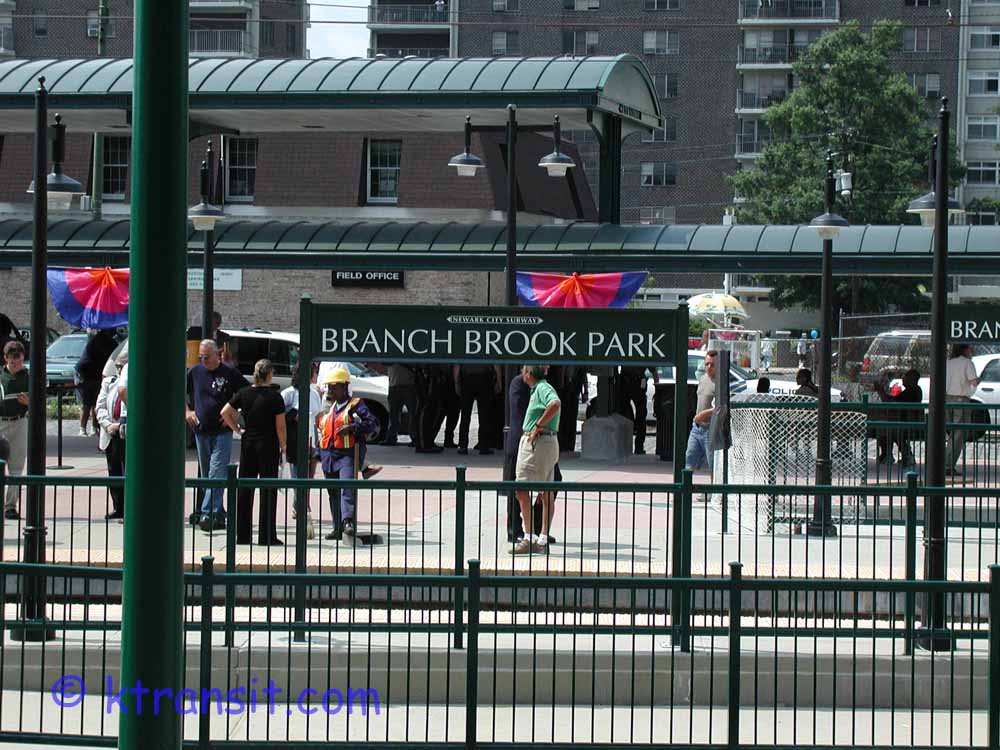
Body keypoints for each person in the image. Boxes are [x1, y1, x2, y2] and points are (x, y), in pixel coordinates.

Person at [186, 340, 249, 532]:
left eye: (206, 357)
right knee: (208, 475)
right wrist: (187, 411)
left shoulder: (229, 372)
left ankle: (208, 514)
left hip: (222, 431)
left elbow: (246, 392)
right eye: (200, 357)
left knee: (217, 471)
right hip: (201, 430)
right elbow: (181, 392)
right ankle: (219, 513)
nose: (203, 360)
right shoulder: (194, 372)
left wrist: (235, 413)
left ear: (216, 355)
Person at [221, 359, 286, 546]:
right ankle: (267, 536)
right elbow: (280, 426)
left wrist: (237, 429)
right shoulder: (275, 397)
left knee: (245, 489)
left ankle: (243, 535)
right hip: (268, 445)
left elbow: (225, 412)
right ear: (270, 374)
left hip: (248, 443)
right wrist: (284, 446)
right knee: (268, 489)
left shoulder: (244, 393)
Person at [318, 367, 379, 539]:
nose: (330, 390)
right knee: (333, 492)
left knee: (347, 487)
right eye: (329, 387)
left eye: (334, 387)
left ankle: (347, 522)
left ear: (344, 387)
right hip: (329, 456)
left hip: (347, 455)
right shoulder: (331, 408)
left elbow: (371, 423)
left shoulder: (356, 405)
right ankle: (337, 528)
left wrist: (352, 427)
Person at [512, 365, 561, 555]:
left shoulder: (542, 388)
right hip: (544, 442)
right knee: (545, 489)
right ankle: (540, 538)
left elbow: (555, 404)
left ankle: (530, 537)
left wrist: (538, 426)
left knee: (522, 488)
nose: (522, 374)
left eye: (524, 371)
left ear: (529, 374)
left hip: (537, 444)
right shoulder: (540, 388)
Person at [281, 363, 322, 540]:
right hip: (295, 441)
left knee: (309, 477)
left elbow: (318, 416)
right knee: (298, 475)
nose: (316, 375)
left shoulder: (314, 393)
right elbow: (280, 416)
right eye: (314, 372)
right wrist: (292, 416)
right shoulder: (288, 394)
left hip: (312, 438)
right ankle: (303, 508)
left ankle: (299, 504)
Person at [96, 351, 128, 520]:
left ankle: (129, 508)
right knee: (113, 471)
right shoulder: (108, 383)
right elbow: (100, 407)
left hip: (126, 433)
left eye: (122, 366)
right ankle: (118, 507)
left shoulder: (131, 383)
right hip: (110, 433)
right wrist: (108, 425)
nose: (119, 370)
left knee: (128, 472)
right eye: (117, 366)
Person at [1, 340, 29, 520]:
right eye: (10, 358)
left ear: (22, 357)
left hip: (19, 421)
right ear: (5, 358)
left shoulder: (29, 377)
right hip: (1, 422)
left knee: (16, 467)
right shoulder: (1, 376)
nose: (14, 362)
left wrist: (29, 402)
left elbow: (40, 403)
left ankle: (10, 506)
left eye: (17, 357)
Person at [75, 329, 117, 437]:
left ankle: (90, 429)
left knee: (92, 402)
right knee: (88, 403)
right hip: (87, 373)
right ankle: (84, 429)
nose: (114, 332)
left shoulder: (98, 340)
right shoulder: (102, 341)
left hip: (92, 373)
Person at [876, 369, 922, 467]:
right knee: (885, 428)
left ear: (912, 380)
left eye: (905, 377)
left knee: (891, 431)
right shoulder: (910, 391)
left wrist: (881, 390)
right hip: (903, 421)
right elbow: (893, 400)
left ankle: (904, 455)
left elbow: (891, 403)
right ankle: (887, 454)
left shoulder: (912, 391)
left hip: (908, 423)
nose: (903, 379)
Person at [946, 344, 980, 475]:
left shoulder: (948, 363)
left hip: (947, 399)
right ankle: (948, 465)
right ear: (965, 349)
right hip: (961, 399)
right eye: (969, 348)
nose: (971, 350)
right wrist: (979, 379)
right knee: (958, 435)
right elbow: (973, 382)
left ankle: (944, 463)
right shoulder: (967, 363)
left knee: (952, 434)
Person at [684, 350, 717, 475]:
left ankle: (713, 488)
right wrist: (697, 417)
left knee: (713, 466)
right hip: (696, 428)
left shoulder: (720, 383)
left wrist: (702, 415)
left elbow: (719, 408)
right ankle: (686, 486)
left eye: (712, 364)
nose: (709, 367)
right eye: (707, 364)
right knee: (689, 460)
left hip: (710, 430)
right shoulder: (702, 379)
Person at [455, 363, 495, 456]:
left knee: (465, 415)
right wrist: (498, 381)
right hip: (483, 377)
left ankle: (463, 446)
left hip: (467, 378)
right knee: (484, 415)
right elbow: (495, 363)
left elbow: (457, 364)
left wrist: (456, 382)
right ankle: (484, 446)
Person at [384, 363, 418, 447]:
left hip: (408, 385)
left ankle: (415, 438)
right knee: (394, 414)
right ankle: (391, 437)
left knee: (412, 413)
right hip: (395, 385)